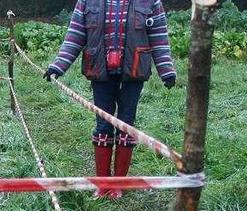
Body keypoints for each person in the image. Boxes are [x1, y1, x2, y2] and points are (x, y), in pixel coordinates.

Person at [44, 0, 176, 198]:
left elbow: (159, 39)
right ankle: (103, 184)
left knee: (126, 125)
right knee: (103, 125)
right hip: (99, 70)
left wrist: (166, 70)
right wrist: (58, 66)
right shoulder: (87, 2)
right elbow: (75, 36)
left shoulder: (151, 2)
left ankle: (118, 185)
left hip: (134, 71)